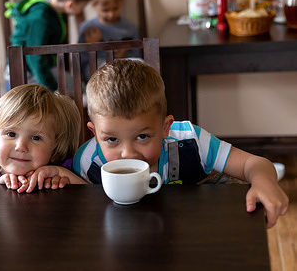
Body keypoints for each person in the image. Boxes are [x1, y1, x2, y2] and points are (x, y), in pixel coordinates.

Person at [73, 59, 289, 229]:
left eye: (142, 137)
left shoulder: (190, 140)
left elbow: (252, 164)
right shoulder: (86, 161)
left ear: (165, 127)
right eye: (111, 139)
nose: (127, 153)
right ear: (94, 133)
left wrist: (265, 182)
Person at [0, 84, 87, 193]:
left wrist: (60, 173)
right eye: (11, 134)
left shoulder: (64, 168)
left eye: (36, 138)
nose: (20, 146)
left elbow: (95, 200)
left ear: (55, 148)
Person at [4, 0, 94, 91]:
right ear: (70, 4)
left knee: (81, 89)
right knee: (78, 92)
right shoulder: (40, 19)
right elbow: (35, 58)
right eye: (83, 7)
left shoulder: (54, 9)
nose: (81, 11)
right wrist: (52, 90)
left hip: (43, 66)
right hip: (25, 72)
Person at [78, 0, 142, 82]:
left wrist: (124, 54)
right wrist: (92, 46)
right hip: (98, 70)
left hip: (124, 67)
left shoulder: (130, 28)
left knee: (140, 63)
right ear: (94, 5)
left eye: (115, 8)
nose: (111, 14)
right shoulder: (87, 28)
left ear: (121, 2)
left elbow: (137, 55)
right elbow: (81, 61)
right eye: (105, 10)